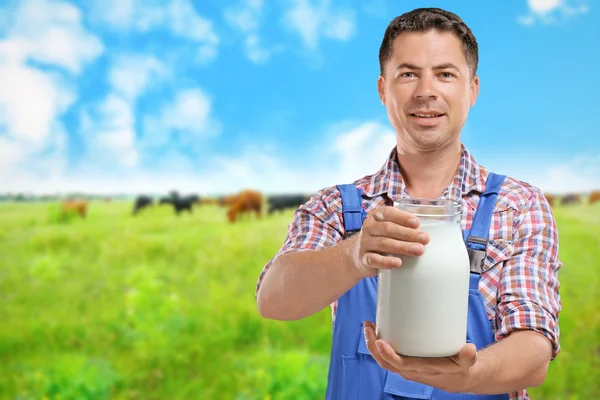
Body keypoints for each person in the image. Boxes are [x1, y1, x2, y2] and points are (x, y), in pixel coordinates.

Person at [255, 7, 562, 400]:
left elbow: (534, 351)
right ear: (383, 89)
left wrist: (470, 376)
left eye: (445, 74)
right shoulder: (338, 208)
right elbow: (274, 300)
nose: (426, 91)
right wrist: (354, 256)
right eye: (408, 74)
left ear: (473, 90)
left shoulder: (518, 206)